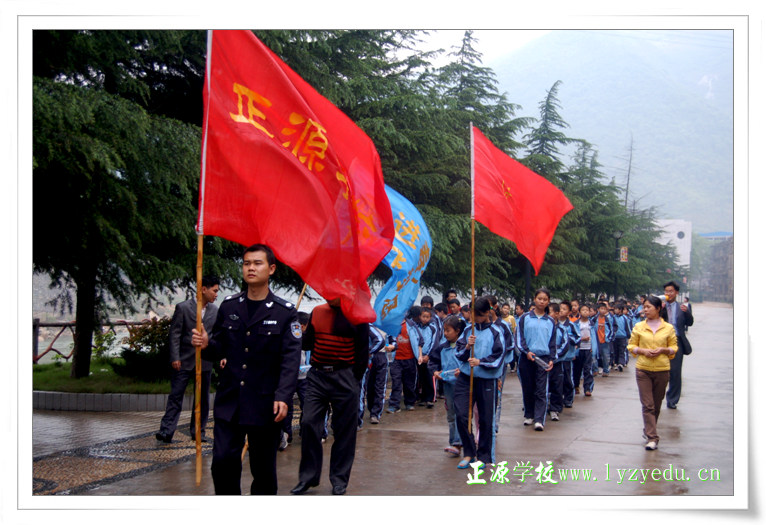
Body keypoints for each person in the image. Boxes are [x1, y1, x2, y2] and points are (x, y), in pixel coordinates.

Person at [193, 244, 301, 495]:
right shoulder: (230, 306)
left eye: (257, 263)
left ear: (271, 269)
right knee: (222, 463)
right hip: (230, 401)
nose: (251, 268)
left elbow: (290, 360)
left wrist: (283, 396)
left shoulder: (284, 313)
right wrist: (206, 344)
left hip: (264, 404)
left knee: (262, 470)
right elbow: (219, 348)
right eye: (246, 263)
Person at [291, 298, 369, 496]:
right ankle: (308, 478)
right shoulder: (317, 311)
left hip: (344, 376)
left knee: (344, 430)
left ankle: (339, 480)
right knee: (308, 422)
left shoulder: (357, 315)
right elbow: (307, 344)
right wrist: (297, 328)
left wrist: (353, 379)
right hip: (317, 376)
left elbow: (362, 352)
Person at [156, 275, 220, 444]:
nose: (216, 295)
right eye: (214, 291)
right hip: (184, 361)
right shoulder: (183, 308)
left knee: (203, 399)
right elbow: (175, 335)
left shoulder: (215, 311)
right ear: (203, 289)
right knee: (176, 396)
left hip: (204, 362)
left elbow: (216, 336)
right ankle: (166, 430)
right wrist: (175, 357)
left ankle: (199, 431)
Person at [454, 296, 506, 468]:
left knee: (485, 418)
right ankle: (469, 452)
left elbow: (499, 356)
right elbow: (458, 354)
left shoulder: (497, 331)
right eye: (473, 314)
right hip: (465, 378)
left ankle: (483, 456)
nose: (475, 318)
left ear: (487, 313)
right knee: (461, 415)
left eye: (479, 315)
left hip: (486, 380)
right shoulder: (468, 330)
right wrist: (468, 347)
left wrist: (481, 362)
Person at [627, 295, 678, 450]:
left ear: (658, 308)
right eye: (644, 307)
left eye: (649, 307)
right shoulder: (639, 327)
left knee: (656, 404)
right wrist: (642, 351)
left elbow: (674, 348)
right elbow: (631, 346)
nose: (645, 310)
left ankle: (649, 429)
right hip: (643, 369)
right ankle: (652, 437)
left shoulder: (668, 328)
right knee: (647, 405)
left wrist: (663, 350)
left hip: (662, 369)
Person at [515, 288, 556, 431]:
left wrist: (552, 358)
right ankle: (529, 414)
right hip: (527, 358)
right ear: (534, 299)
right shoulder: (525, 318)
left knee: (541, 389)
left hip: (543, 358)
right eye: (540, 298)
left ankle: (539, 419)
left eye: (545, 299)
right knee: (528, 387)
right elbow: (519, 338)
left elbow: (552, 341)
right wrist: (526, 351)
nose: (542, 301)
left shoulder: (550, 321)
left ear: (548, 302)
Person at [428, 314, 466, 458]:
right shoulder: (442, 347)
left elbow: (468, 363)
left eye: (448, 330)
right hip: (448, 385)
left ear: (457, 331)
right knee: (451, 414)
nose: (445, 333)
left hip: (462, 385)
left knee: (461, 414)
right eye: (444, 330)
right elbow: (433, 362)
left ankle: (459, 442)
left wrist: (462, 371)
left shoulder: (464, 347)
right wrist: (436, 371)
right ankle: (454, 442)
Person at [661, 281, 694, 409]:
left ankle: (672, 399)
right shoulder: (660, 306)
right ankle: (658, 396)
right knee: (660, 370)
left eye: (671, 291)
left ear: (676, 293)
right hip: (662, 340)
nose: (668, 293)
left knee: (675, 371)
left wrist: (687, 312)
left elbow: (690, 323)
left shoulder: (682, 307)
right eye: (666, 291)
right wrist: (660, 309)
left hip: (677, 340)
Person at [387, 307, 422, 413]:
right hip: (396, 359)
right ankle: (394, 405)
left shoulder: (411, 325)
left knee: (409, 383)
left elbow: (420, 341)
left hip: (410, 359)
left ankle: (409, 402)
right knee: (396, 382)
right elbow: (386, 342)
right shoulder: (391, 326)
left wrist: (420, 355)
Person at [360, 324, 392, 426]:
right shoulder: (368, 325)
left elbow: (391, 340)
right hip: (369, 358)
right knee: (368, 387)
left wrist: (393, 346)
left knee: (380, 386)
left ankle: (375, 413)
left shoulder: (386, 324)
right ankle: (370, 409)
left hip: (380, 356)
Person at [572, 304, 594, 397]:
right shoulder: (576, 323)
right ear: (579, 312)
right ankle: (576, 386)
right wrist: (581, 339)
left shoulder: (591, 323)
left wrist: (594, 348)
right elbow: (574, 337)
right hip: (579, 349)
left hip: (588, 349)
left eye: (587, 310)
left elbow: (594, 337)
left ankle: (587, 388)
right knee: (577, 369)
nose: (585, 312)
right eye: (583, 310)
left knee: (588, 369)